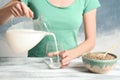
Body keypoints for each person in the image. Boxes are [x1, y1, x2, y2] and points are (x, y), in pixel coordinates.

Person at [0, 0, 100, 67]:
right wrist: (11, 8)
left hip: (70, 66)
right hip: (36, 65)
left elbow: (90, 41)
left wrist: (70, 55)